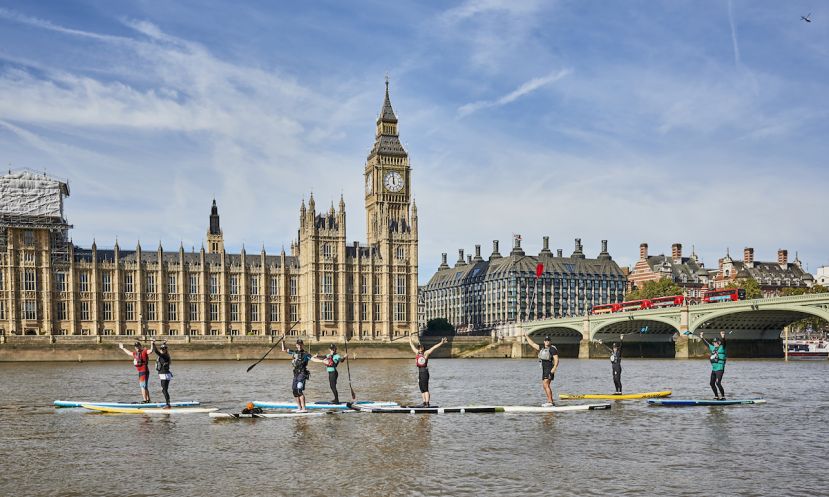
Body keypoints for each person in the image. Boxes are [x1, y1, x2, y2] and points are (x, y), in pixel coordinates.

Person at [281, 338, 322, 412]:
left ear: (302, 345)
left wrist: (322, 360)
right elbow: (283, 350)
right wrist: (283, 341)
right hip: (296, 374)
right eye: (298, 344)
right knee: (294, 391)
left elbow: (313, 359)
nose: (299, 346)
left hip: (302, 373)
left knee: (299, 390)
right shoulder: (294, 352)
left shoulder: (306, 354)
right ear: (296, 345)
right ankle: (299, 408)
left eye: (300, 344)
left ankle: (304, 409)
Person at [408, 334, 448, 407]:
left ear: (423, 348)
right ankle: (424, 402)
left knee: (425, 388)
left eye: (421, 348)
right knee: (421, 388)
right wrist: (410, 339)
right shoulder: (417, 353)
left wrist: (441, 342)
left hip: (424, 372)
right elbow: (412, 346)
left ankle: (427, 403)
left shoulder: (426, 353)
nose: (420, 349)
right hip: (420, 372)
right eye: (419, 348)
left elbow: (434, 347)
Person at [523, 333, 558, 406]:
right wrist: (526, 336)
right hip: (544, 369)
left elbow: (556, 360)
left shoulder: (552, 349)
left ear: (550, 341)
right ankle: (550, 401)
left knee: (546, 384)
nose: (547, 341)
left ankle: (550, 402)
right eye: (546, 340)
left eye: (548, 340)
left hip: (550, 368)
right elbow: (532, 344)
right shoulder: (542, 348)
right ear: (544, 341)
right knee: (544, 385)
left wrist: (554, 369)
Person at [700, 331, 727, 400]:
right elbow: (706, 344)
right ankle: (716, 396)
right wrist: (701, 337)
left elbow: (724, 342)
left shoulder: (722, 348)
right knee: (712, 383)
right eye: (714, 342)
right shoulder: (712, 348)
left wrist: (723, 336)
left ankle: (723, 397)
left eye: (715, 342)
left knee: (718, 383)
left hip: (720, 368)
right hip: (714, 369)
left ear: (719, 343)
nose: (714, 343)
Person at [150, 340, 172, 408]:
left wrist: (153, 343)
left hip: (164, 375)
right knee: (164, 389)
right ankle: (168, 403)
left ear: (166, 350)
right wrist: (164, 343)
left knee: (164, 390)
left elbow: (156, 351)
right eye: (161, 349)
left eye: (163, 349)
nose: (162, 350)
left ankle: (168, 404)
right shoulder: (165, 355)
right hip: (165, 375)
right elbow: (161, 349)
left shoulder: (164, 356)